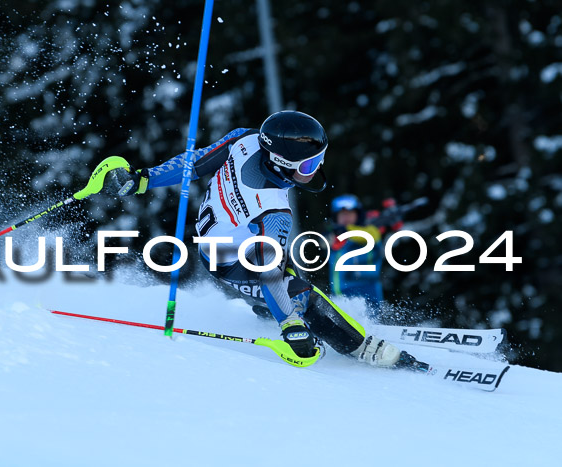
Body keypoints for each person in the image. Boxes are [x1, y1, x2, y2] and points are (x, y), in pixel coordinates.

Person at [98, 110, 420, 369]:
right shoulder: (275, 212)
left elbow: (194, 164)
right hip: (228, 260)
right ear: (283, 164)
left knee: (291, 269)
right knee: (301, 294)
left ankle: (274, 310)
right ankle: (365, 348)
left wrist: (142, 180)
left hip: (222, 234)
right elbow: (269, 272)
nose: (318, 167)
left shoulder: (246, 139)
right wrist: (290, 324)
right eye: (310, 164)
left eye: (319, 158)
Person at [327, 194, 403, 319]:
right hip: (340, 297)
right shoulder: (338, 239)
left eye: (350, 213)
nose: (346, 217)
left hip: (366, 295)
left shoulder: (369, 231)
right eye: (342, 214)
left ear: (358, 215)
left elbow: (369, 236)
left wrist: (347, 231)